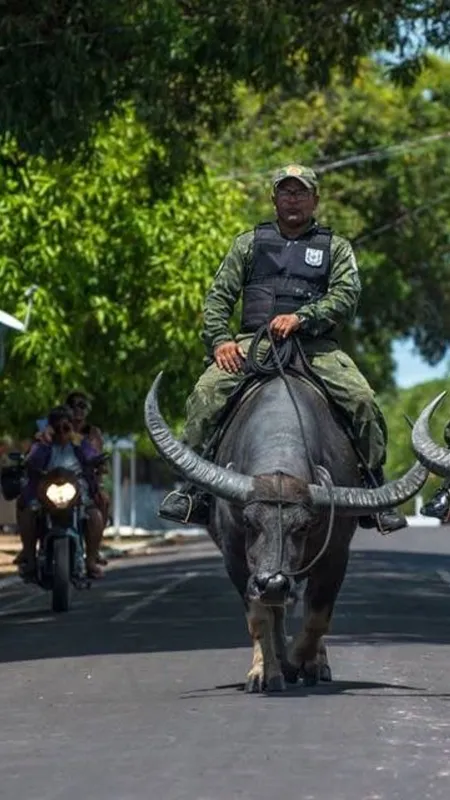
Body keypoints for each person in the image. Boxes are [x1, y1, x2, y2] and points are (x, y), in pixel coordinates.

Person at [159, 163, 407, 534]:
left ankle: (373, 487)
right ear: (274, 198)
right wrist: (220, 341)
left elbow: (347, 295)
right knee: (205, 394)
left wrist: (303, 317)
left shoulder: (335, 247)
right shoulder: (248, 243)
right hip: (252, 344)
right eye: (286, 191)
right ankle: (193, 490)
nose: (293, 199)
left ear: (315, 199)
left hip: (315, 346)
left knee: (363, 400)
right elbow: (217, 299)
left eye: (301, 192)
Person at [17, 405, 105, 579]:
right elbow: (30, 460)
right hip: (45, 495)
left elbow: (94, 457)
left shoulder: (81, 445)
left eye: (66, 427)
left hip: (78, 494)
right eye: (58, 428)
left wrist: (98, 461)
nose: (62, 432)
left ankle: (91, 561)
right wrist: (36, 450)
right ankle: (29, 558)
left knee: (95, 516)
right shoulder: (42, 446)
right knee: (27, 513)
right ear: (50, 428)